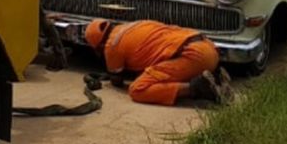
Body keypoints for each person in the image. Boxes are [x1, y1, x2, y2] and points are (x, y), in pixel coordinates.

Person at [85, 19, 234, 105]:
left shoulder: (111, 46)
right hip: (209, 48)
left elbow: (117, 80)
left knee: (137, 90)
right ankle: (215, 78)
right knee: (160, 71)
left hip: (194, 56)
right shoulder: (135, 25)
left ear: (98, 47)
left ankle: (199, 88)